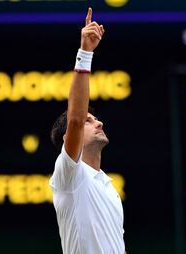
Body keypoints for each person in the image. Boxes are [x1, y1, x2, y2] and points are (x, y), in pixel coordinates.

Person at [49, 7, 126, 254]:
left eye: (96, 119)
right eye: (89, 121)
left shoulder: (110, 188)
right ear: (68, 138)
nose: (99, 123)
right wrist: (85, 54)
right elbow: (74, 119)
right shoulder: (69, 175)